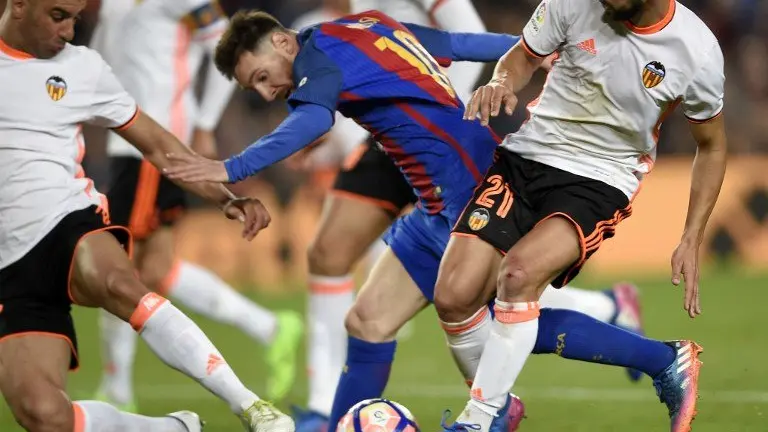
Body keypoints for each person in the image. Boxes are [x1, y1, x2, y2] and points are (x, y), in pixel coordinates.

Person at [163, 9, 676, 432]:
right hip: (436, 202)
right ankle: (470, 412)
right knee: (366, 321)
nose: (266, 91)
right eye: (254, 88)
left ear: (281, 42)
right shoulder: (361, 25)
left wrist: (230, 167)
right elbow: (452, 42)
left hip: (471, 187)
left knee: (507, 322)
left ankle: (661, 361)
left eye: (260, 76)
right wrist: (536, 52)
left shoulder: (318, 60)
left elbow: (315, 118)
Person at [289, 1, 647, 430]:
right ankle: (326, 410)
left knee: (490, 298)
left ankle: (618, 332)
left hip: (446, 136)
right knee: (338, 269)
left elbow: (462, 35)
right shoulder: (313, 28)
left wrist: (441, 104)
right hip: (383, 147)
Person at [0, 0, 295, 431]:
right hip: (10, 262)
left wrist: (224, 198)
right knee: (44, 416)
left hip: (66, 219)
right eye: (58, 16)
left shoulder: (82, 68)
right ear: (19, 5)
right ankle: (174, 428)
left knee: (120, 281)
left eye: (75, 20)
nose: (68, 32)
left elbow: (158, 144)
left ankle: (251, 406)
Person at [435, 0, 726, 430]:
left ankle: (481, 419)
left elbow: (712, 145)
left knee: (517, 278)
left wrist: (691, 236)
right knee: (454, 297)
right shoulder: (571, 3)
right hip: (527, 157)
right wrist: (502, 80)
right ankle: (662, 359)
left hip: (600, 178)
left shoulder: (696, 49)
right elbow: (523, 55)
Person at [89, 0, 302, 411]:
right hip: (126, 144)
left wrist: (204, 123)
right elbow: (97, 61)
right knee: (154, 269)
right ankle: (269, 327)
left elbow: (227, 50)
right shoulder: (113, 5)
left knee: (118, 264)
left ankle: (116, 390)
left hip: (155, 146)